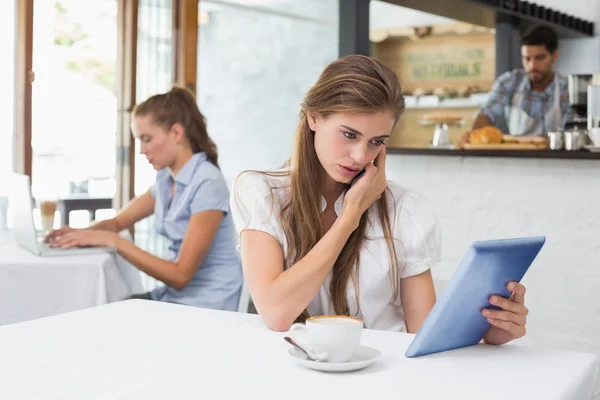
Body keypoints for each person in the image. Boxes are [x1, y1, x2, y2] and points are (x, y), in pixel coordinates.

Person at [230, 55, 528, 346]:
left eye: (377, 142)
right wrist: (351, 215)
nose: (361, 156)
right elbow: (276, 313)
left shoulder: (405, 208)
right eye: (349, 134)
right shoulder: (262, 192)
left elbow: (423, 335)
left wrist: (490, 332)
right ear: (314, 117)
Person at [46, 87, 243, 311]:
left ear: (176, 133)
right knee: (98, 308)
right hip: (174, 298)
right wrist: (79, 234)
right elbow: (118, 222)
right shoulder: (166, 180)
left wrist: (114, 240)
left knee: (103, 314)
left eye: (147, 139)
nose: (141, 150)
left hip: (205, 305)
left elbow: (180, 275)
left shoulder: (207, 182)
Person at [470, 24, 571, 136]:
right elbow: (487, 113)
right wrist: (473, 136)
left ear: (555, 55)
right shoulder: (509, 82)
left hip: (555, 153)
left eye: (540, 58)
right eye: (527, 59)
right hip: (518, 152)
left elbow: (571, 129)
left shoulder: (567, 88)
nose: (532, 66)